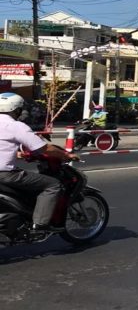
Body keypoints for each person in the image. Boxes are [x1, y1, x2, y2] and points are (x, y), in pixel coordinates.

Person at [0, 92, 79, 233]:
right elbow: (43, 148)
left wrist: (16, 153)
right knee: (53, 185)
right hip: (5, 174)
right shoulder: (15, 126)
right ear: (16, 110)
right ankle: (40, 225)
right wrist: (65, 155)